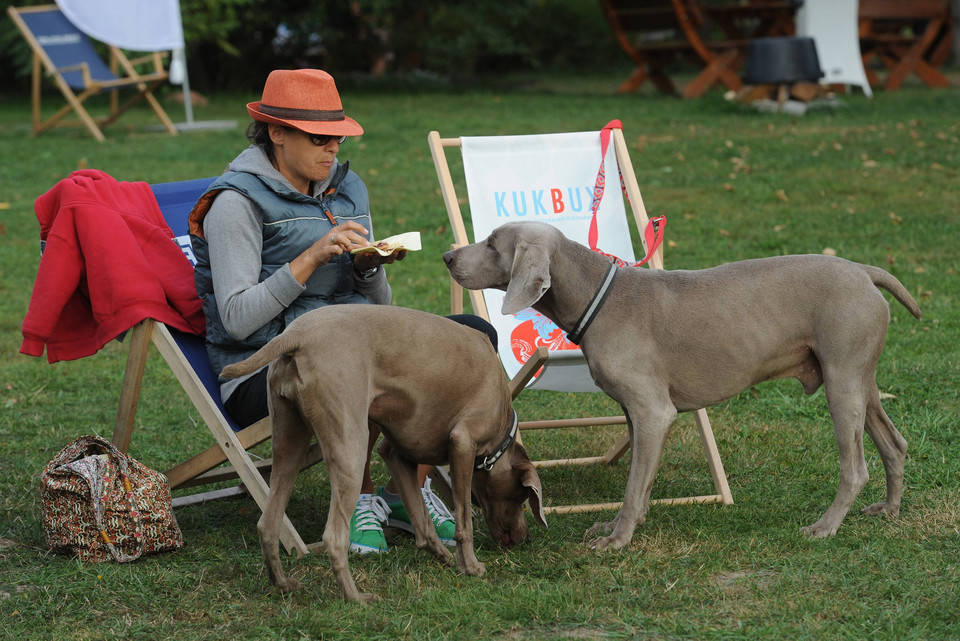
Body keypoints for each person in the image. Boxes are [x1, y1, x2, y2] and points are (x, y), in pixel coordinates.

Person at [187, 69, 497, 554]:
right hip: (269, 367)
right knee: (362, 370)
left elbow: (380, 310)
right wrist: (309, 259)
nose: (331, 149)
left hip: (355, 346)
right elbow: (237, 318)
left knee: (473, 337)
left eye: (337, 137)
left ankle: (402, 491)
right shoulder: (235, 204)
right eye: (318, 139)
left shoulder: (350, 190)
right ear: (277, 133)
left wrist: (370, 268)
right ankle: (359, 501)